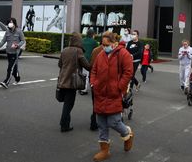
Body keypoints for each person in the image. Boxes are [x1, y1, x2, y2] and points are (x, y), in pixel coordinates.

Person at [90, 31, 134, 161]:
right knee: (101, 123)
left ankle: (127, 134)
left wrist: (119, 87)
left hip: (114, 94)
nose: (104, 47)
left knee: (114, 121)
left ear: (114, 43)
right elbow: (94, 70)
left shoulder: (123, 54)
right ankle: (104, 150)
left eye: (106, 44)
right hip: (100, 93)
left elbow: (128, 72)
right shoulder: (101, 55)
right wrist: (93, 84)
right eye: (102, 44)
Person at [57, 33, 92, 132]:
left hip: (63, 80)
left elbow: (60, 64)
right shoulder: (78, 51)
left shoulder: (64, 50)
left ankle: (65, 123)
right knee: (69, 104)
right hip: (72, 82)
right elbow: (87, 66)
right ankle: (64, 125)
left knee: (66, 103)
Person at [0, 18, 26, 89]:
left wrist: (17, 45)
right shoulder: (7, 32)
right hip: (8, 52)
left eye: (11, 22)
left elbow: (23, 41)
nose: (10, 23)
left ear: (14, 23)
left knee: (10, 68)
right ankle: (17, 78)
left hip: (15, 53)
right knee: (13, 68)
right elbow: (3, 41)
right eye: (9, 22)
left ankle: (6, 82)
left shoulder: (19, 31)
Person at [80, 29, 98, 95]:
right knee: (86, 75)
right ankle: (84, 90)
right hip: (88, 60)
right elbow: (97, 51)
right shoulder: (94, 42)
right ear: (93, 34)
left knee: (81, 74)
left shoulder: (82, 40)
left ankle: (80, 87)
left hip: (81, 59)